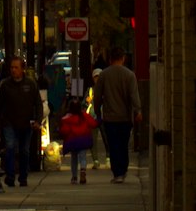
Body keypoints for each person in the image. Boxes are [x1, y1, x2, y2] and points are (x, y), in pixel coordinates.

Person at [92, 47, 142, 182]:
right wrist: (138, 111)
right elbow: (134, 95)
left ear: (110, 59)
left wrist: (97, 111)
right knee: (123, 144)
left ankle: (117, 173)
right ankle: (123, 169)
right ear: (123, 58)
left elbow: (97, 96)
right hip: (125, 117)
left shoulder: (104, 75)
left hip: (110, 117)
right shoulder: (129, 75)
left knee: (113, 145)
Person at [0, 55, 41, 187]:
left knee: (24, 151)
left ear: (22, 69)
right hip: (9, 122)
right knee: (10, 147)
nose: (13, 70)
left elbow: (38, 103)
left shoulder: (30, 84)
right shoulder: (5, 85)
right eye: (12, 67)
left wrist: (38, 120)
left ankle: (23, 177)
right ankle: (10, 176)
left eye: (16, 67)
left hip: (26, 123)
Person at [59, 101, 96, 184]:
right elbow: (93, 124)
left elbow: (64, 131)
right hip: (83, 140)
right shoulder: (84, 116)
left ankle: (74, 177)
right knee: (83, 158)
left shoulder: (67, 119)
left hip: (73, 141)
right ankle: (83, 170)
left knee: (74, 158)